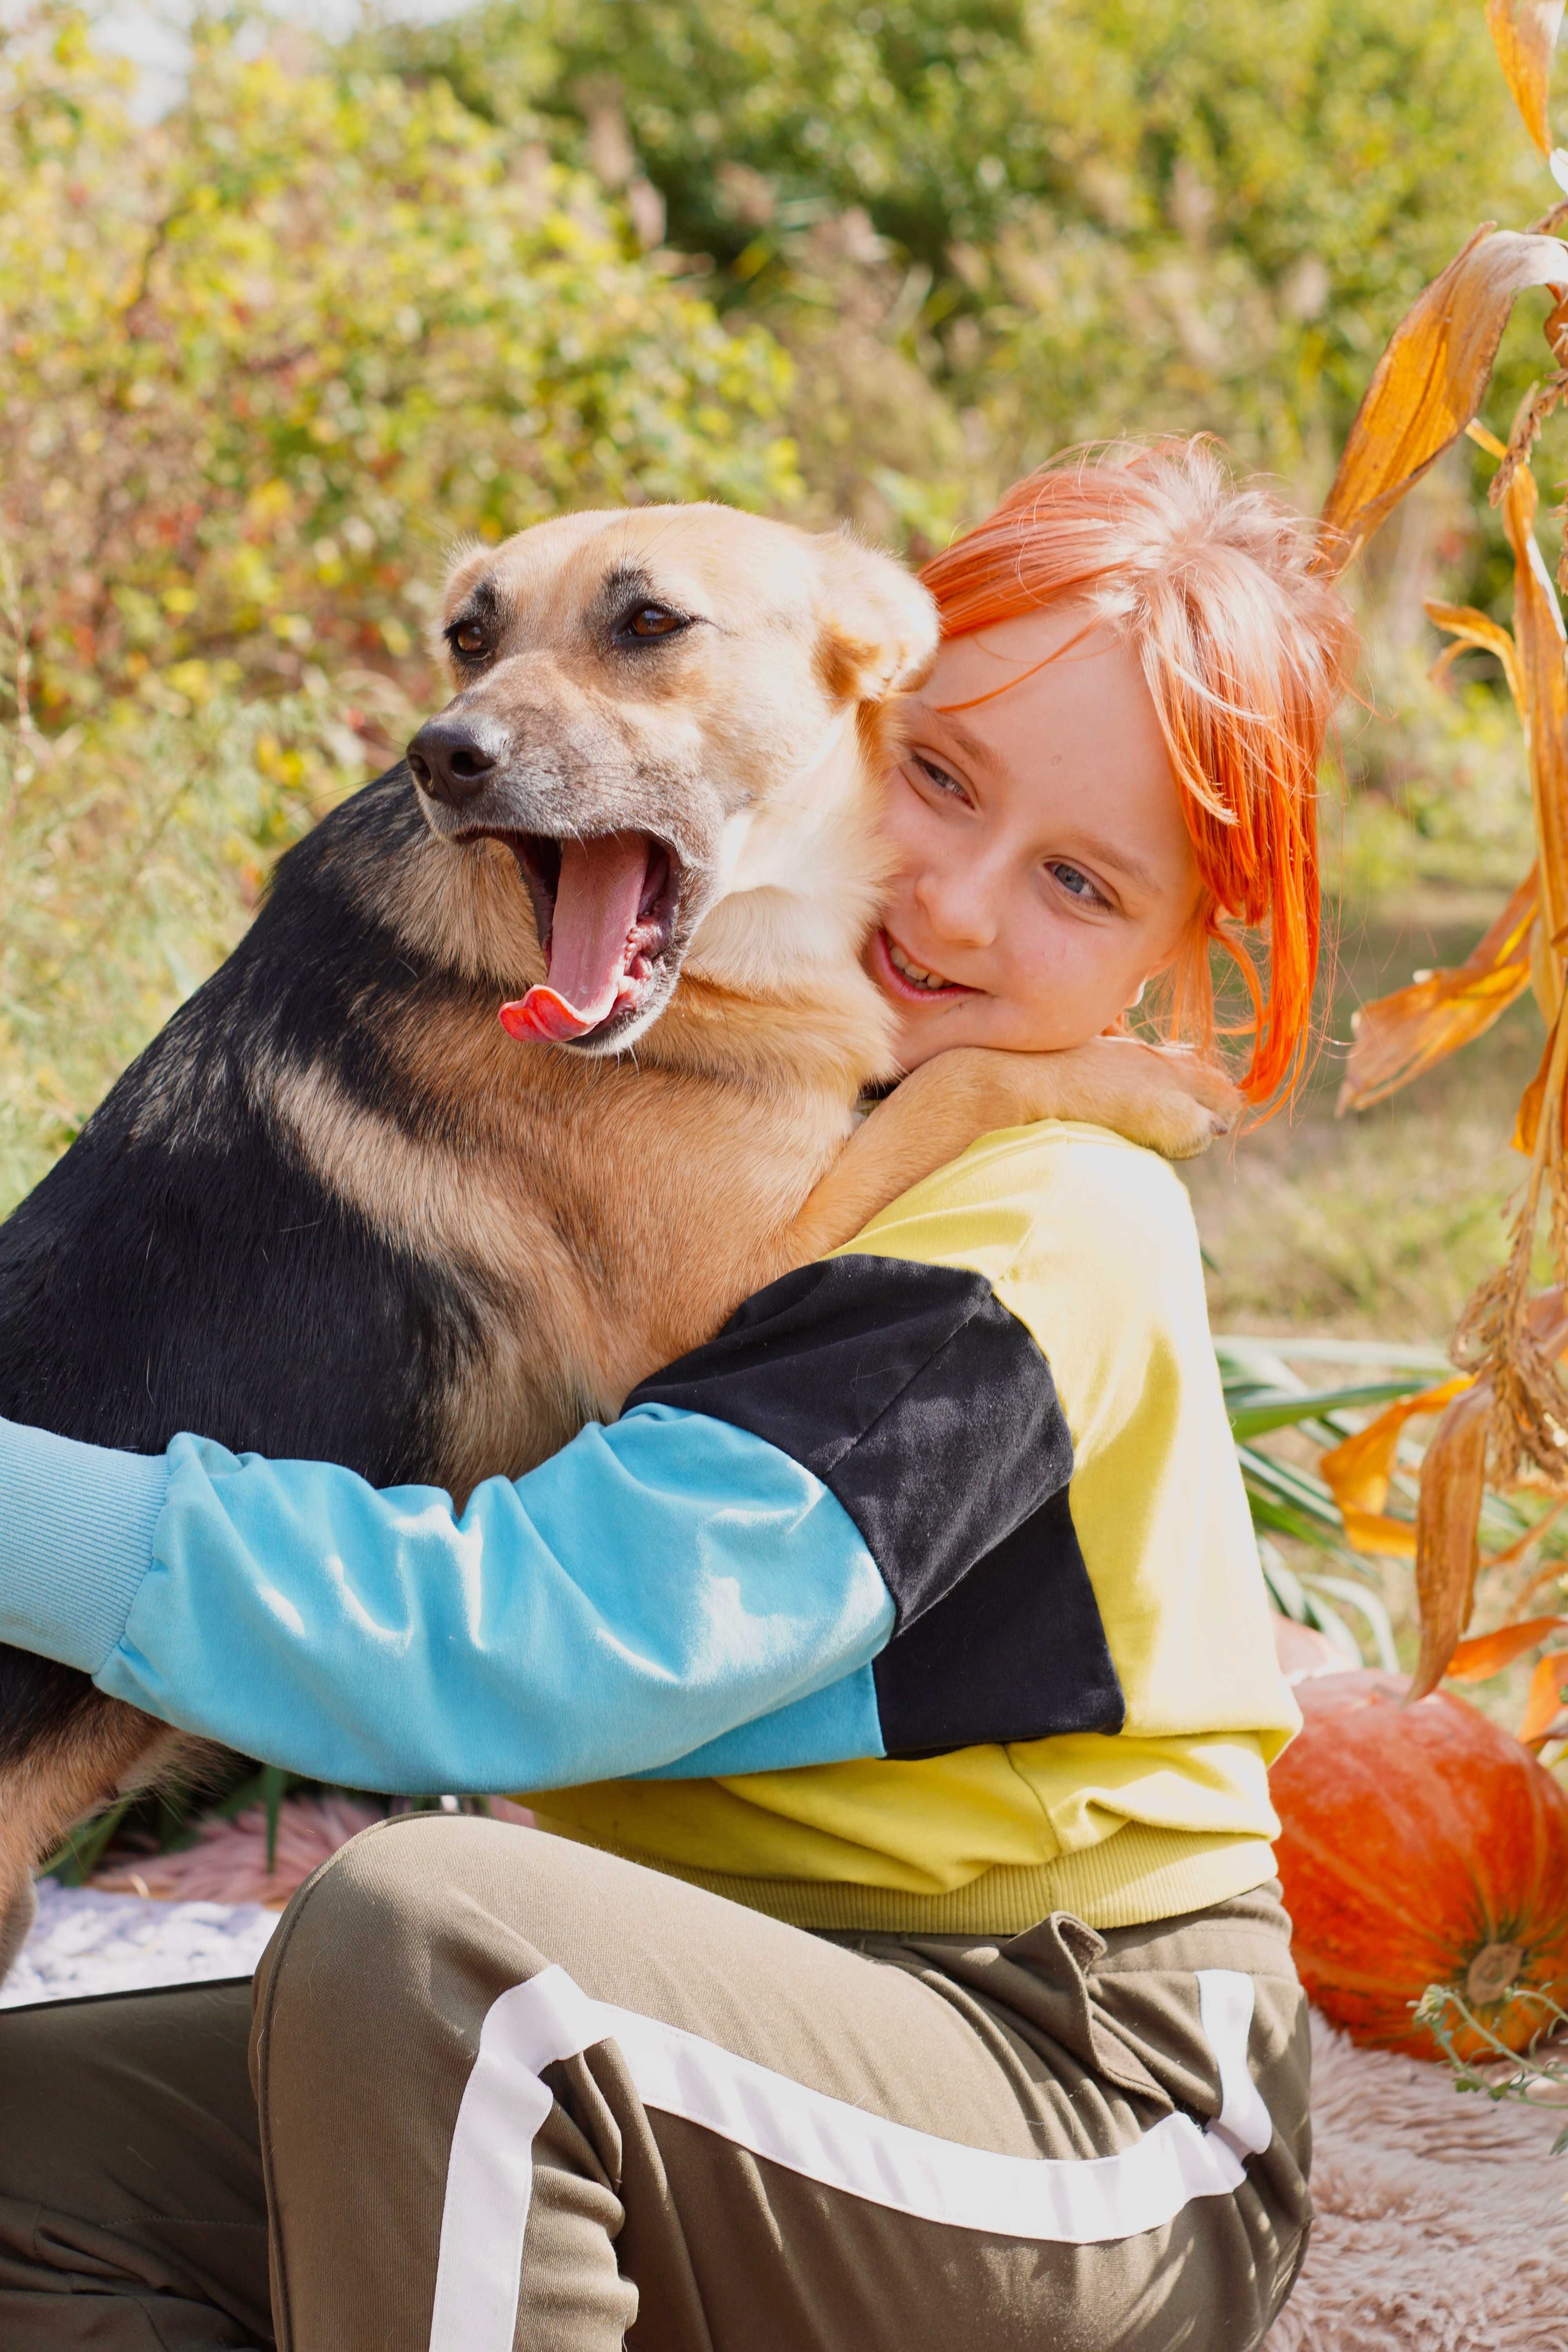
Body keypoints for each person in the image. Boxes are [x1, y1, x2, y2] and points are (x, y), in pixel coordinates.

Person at [0, 439, 1355, 2352]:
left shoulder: (1035, 1209)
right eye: (939, 781)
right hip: (717, 2045)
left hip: (1077, 2102)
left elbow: (537, 1645)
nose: (953, 907)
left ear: (1180, 965)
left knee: (435, 1948)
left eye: (1074, 881)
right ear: (848, 706)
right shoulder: (686, 1110)